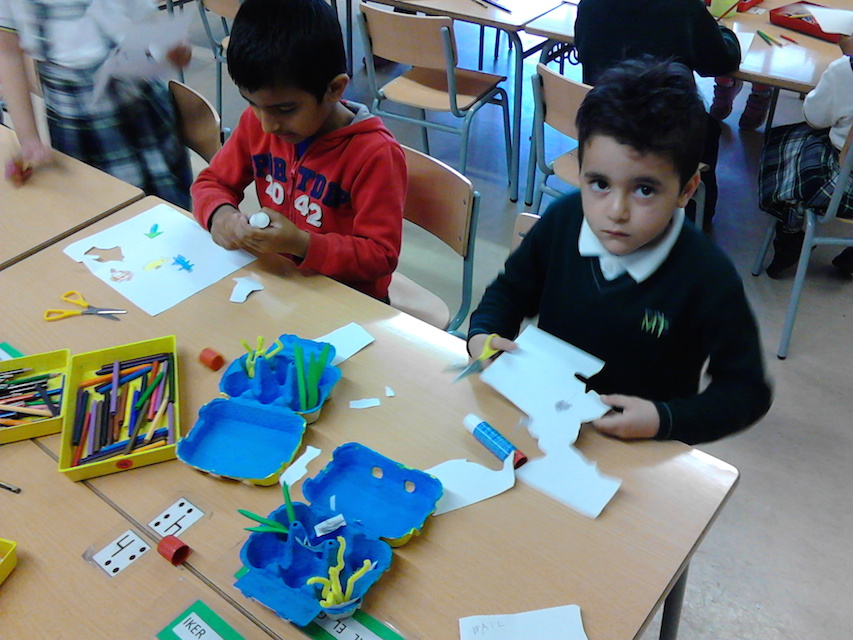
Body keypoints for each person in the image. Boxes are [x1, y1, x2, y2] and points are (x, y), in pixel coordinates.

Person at [467, 57, 772, 446]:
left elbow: (746, 391)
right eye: (599, 183)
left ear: (686, 190)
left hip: (642, 448)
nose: (616, 211)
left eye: (645, 189)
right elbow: (510, 291)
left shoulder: (708, 277)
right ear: (581, 170)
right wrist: (484, 334)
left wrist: (664, 419)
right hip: (543, 423)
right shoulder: (563, 220)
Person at [192, 0, 406, 301]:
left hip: (346, 297)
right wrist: (221, 215)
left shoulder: (375, 154)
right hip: (280, 280)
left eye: (285, 109)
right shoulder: (256, 124)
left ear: (335, 88)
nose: (268, 125)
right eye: (253, 104)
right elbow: (212, 182)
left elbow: (380, 256)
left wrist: (303, 244)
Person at [0, 0, 192, 208]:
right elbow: (7, 51)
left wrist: (173, 47)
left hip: (138, 102)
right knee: (103, 205)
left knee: (168, 202)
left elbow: (147, 20)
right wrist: (28, 138)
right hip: (72, 117)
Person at [574, 0, 742, 228]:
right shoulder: (684, 7)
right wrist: (723, 31)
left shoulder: (589, 4)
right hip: (667, 131)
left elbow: (584, 49)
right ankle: (696, 217)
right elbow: (721, 61)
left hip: (603, 124)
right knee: (709, 129)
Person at [758, 35, 853, 279]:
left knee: (791, 146)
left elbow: (815, 118)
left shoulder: (845, 69)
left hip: (845, 183)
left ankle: (789, 235)